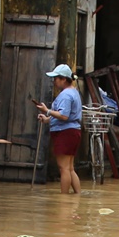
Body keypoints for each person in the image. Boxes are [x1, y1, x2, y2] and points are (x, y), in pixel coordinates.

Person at [36, 63, 83, 194]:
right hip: (72, 132)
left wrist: (47, 111)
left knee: (64, 168)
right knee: (69, 168)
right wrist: (47, 119)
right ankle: (77, 195)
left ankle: (64, 199)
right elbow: (63, 115)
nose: (54, 81)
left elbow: (63, 115)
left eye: (56, 78)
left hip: (65, 133)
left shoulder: (66, 95)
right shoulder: (74, 92)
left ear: (63, 79)